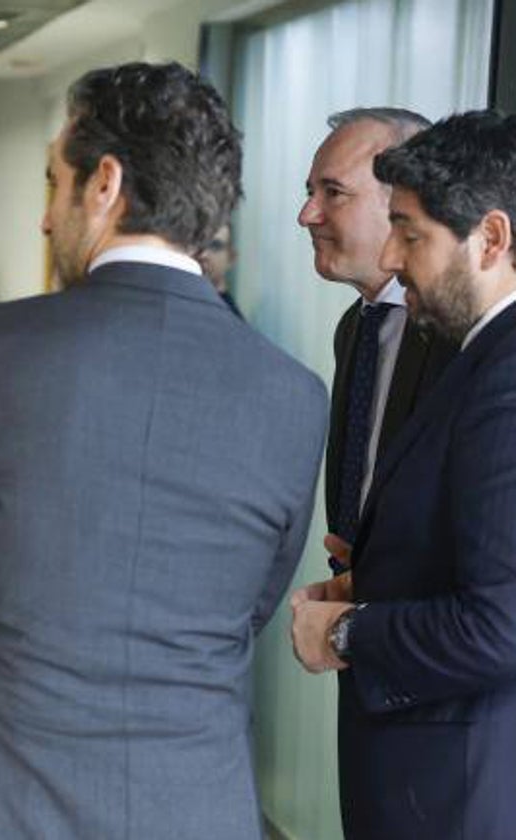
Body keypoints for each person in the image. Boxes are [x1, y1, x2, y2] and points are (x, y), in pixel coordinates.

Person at [0, 62, 328, 839]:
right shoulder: (292, 394)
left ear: (104, 184)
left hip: (0, 790)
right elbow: (250, 605)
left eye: (51, 181)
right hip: (193, 800)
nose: (43, 217)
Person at [291, 110, 516, 839]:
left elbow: (501, 623)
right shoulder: (479, 356)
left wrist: (351, 632)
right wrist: (375, 583)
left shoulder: (503, 378)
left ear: (491, 238)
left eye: (411, 234)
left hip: (460, 782)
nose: (391, 254)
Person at [298, 108, 456, 575]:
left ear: (402, 203)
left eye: (334, 192)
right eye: (310, 193)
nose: (307, 214)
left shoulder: (465, 337)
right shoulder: (356, 327)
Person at [197, 223, 243, 317]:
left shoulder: (232, 320)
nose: (203, 255)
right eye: (199, 244)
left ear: (231, 258)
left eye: (215, 246)